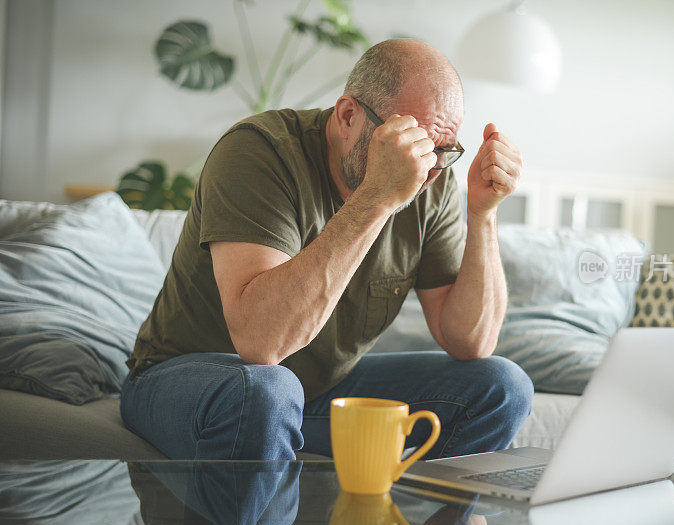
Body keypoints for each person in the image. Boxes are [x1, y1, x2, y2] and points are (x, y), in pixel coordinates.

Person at [121, 38, 533, 461]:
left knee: (501, 386)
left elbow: (469, 342)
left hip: (315, 392)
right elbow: (261, 345)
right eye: (412, 142)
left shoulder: (435, 178)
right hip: (190, 380)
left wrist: (483, 215)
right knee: (267, 390)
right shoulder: (258, 151)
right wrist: (377, 198)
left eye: (441, 150)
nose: (426, 168)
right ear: (348, 115)